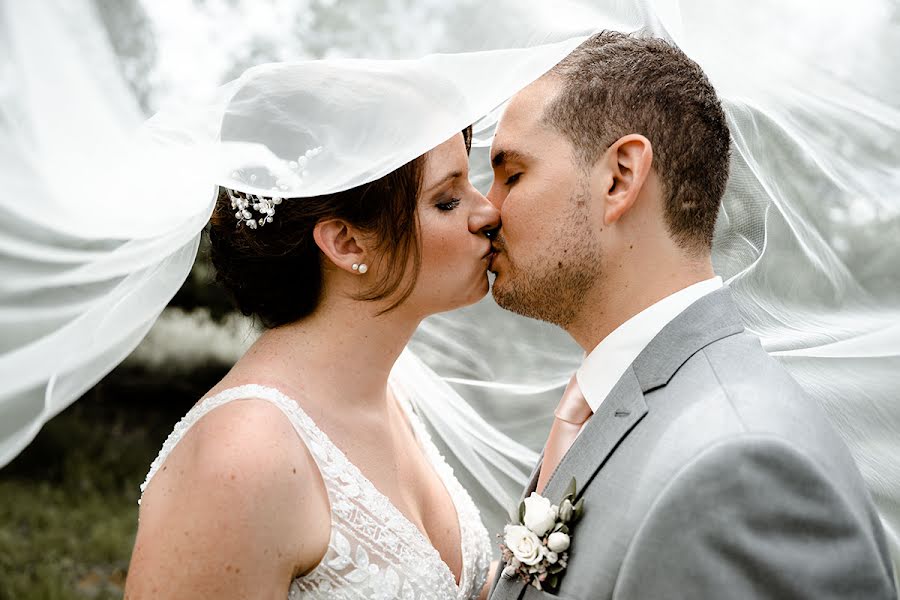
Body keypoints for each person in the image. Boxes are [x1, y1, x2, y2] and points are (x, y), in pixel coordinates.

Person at [486, 31, 897, 599]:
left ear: (619, 178)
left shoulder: (737, 470)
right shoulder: (627, 406)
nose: (487, 210)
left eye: (512, 174)